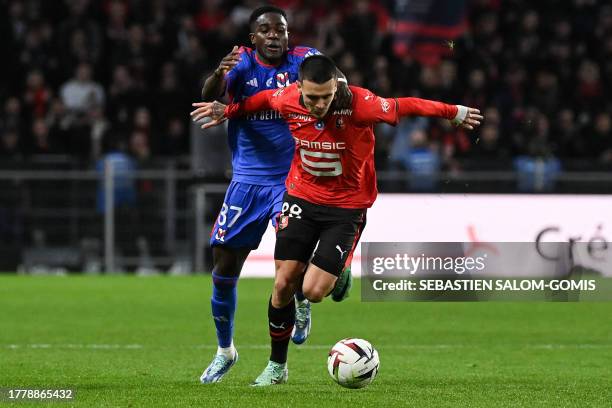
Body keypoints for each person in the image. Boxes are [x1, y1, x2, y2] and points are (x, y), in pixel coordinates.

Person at [191, 54, 483, 386]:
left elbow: (405, 106)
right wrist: (227, 111)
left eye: (326, 97)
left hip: (346, 209)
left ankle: (336, 270)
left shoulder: (360, 104)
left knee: (313, 291)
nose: (319, 104)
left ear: (336, 88)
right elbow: (257, 102)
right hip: (301, 198)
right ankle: (277, 366)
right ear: (298, 87)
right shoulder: (286, 98)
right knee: (283, 284)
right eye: (312, 97)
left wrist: (453, 112)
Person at [197, 6, 352, 384]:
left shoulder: (305, 60)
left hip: (294, 182)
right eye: (264, 30)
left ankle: (306, 295)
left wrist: (341, 88)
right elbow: (209, 93)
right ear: (253, 37)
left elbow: (339, 84)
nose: (273, 35)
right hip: (246, 183)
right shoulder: (240, 64)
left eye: (279, 29)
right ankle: (225, 351)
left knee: (290, 267)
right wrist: (219, 73)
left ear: (288, 33)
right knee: (223, 269)